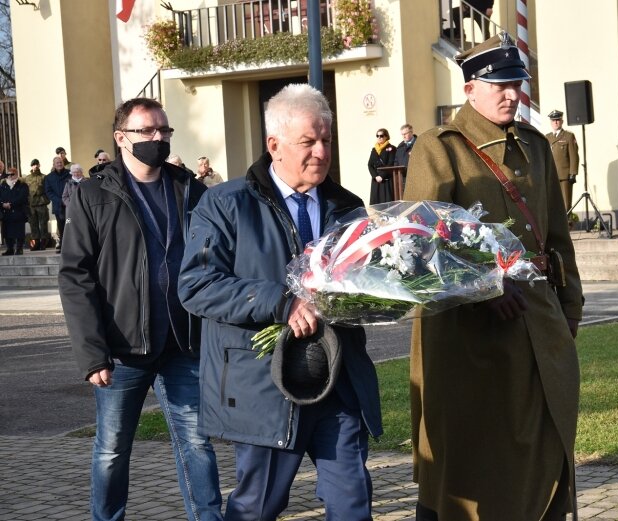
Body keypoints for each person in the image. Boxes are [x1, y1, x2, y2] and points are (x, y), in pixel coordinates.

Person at [178, 84, 382, 521]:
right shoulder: (225, 203)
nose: (321, 151)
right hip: (266, 388)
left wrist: (392, 288)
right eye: (308, 141)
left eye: (326, 139)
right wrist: (281, 303)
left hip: (338, 381)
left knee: (353, 504)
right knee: (258, 507)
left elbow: (367, 279)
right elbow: (196, 284)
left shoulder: (348, 207)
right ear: (274, 145)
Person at [403, 32, 582, 520]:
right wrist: (482, 292)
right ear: (469, 89)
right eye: (498, 83)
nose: (510, 94)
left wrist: (570, 306)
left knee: (544, 441)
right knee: (474, 457)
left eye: (516, 83)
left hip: (538, 318)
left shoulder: (536, 146)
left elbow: (556, 233)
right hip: (469, 334)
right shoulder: (439, 148)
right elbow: (419, 244)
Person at [58, 98, 223, 521]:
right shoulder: (92, 195)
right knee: (112, 448)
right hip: (122, 350)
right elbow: (76, 279)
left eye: (164, 131)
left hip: (182, 344)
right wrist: (92, 353)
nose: (158, 139)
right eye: (147, 131)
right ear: (121, 138)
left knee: (197, 443)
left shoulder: (190, 190)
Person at [545, 109, 579, 209]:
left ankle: (567, 223)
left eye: (558, 120)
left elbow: (574, 155)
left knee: (565, 203)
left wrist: (573, 173)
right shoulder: (547, 137)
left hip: (564, 175)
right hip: (551, 175)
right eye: (553, 120)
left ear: (562, 121)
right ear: (551, 122)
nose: (555, 122)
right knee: (552, 202)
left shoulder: (568, 136)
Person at [44, 156, 71, 253]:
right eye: (57, 163)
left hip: (70, 205)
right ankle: (63, 246)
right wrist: (60, 200)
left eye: (60, 162)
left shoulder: (69, 173)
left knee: (71, 225)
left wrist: (67, 200)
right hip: (58, 205)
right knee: (61, 226)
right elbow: (48, 191)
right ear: (54, 165)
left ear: (63, 163)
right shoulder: (49, 177)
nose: (59, 164)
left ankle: (72, 245)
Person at [0, 167, 30, 255]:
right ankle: (10, 248)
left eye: (12, 174)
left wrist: (11, 204)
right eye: (8, 174)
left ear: (16, 174)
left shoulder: (22, 184)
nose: (10, 176)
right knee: (7, 231)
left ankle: (19, 248)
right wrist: (2, 204)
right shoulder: (3, 185)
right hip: (6, 212)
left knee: (19, 231)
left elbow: (22, 197)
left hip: (18, 211)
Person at [25, 158, 50, 250]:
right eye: (33, 164)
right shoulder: (27, 178)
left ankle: (43, 242)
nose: (35, 166)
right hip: (31, 204)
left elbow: (48, 189)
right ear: (31, 166)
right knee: (33, 224)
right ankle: (35, 243)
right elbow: (25, 191)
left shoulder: (44, 177)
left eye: (37, 164)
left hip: (41, 203)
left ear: (39, 165)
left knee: (43, 223)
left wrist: (47, 199)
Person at [368, 127, 397, 204]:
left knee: (387, 203)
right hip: (376, 179)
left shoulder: (391, 148)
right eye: (377, 136)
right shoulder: (374, 149)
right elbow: (370, 164)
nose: (379, 137)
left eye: (381, 136)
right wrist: (375, 176)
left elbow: (391, 163)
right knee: (376, 204)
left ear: (386, 136)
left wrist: (382, 176)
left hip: (386, 179)